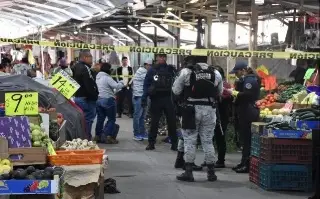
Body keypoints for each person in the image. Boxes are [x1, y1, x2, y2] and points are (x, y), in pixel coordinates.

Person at [172, 55, 223, 182]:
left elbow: (176, 90)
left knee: (190, 140)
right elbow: (220, 92)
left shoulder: (186, 72)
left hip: (190, 110)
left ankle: (188, 172)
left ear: (193, 59)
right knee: (208, 141)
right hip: (209, 110)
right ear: (206, 60)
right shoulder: (215, 73)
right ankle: (211, 173)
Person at [142, 54, 178, 151]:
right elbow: (146, 84)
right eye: (160, 57)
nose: (161, 59)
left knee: (172, 122)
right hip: (156, 99)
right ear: (156, 58)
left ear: (166, 58)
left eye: (163, 57)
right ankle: (151, 143)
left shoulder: (171, 69)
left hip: (168, 99)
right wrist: (144, 98)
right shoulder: (152, 70)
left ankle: (174, 143)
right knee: (154, 122)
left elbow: (177, 83)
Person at [230, 62, 260, 173]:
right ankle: (243, 162)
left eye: (237, 72)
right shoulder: (245, 79)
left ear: (243, 70)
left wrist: (235, 93)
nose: (236, 75)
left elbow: (248, 95)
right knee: (244, 139)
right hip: (244, 111)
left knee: (247, 140)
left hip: (249, 111)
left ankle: (247, 164)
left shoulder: (250, 80)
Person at [95, 62, 125, 144]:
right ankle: (107, 136)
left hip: (99, 99)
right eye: (110, 69)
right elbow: (116, 86)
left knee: (100, 119)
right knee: (111, 119)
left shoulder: (98, 77)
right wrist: (122, 82)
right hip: (108, 100)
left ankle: (97, 136)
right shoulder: (107, 77)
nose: (111, 71)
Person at [73, 50, 99, 140]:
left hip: (77, 97)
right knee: (88, 118)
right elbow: (89, 84)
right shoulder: (85, 68)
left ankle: (82, 137)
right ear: (85, 57)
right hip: (86, 98)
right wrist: (94, 96)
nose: (92, 60)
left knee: (82, 119)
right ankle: (86, 138)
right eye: (90, 57)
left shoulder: (75, 66)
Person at [132, 60, 152, 141]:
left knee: (142, 116)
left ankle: (142, 132)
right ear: (146, 65)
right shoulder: (142, 72)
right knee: (137, 116)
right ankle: (136, 134)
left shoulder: (144, 71)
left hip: (142, 95)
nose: (150, 67)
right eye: (150, 65)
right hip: (139, 96)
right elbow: (150, 80)